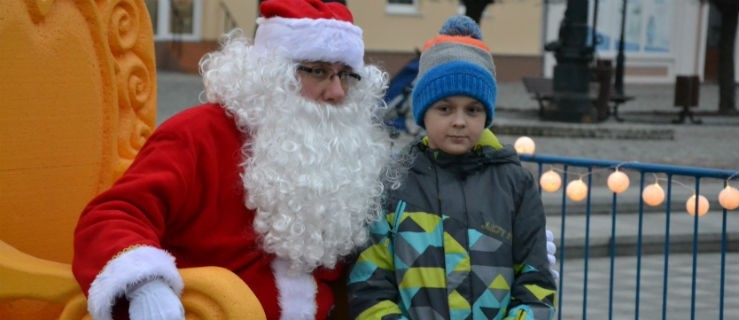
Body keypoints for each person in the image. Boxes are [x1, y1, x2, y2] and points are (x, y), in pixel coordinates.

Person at [71, 0, 399, 319]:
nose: (338, 92)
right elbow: (112, 216)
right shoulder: (197, 135)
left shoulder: (343, 155)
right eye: (319, 72)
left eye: (346, 75)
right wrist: (145, 285)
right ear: (271, 72)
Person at [347, 15, 557, 320]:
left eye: (473, 110)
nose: (459, 121)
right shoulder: (393, 183)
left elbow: (536, 282)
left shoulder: (515, 183)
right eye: (445, 108)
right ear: (423, 113)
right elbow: (370, 286)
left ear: (486, 115)